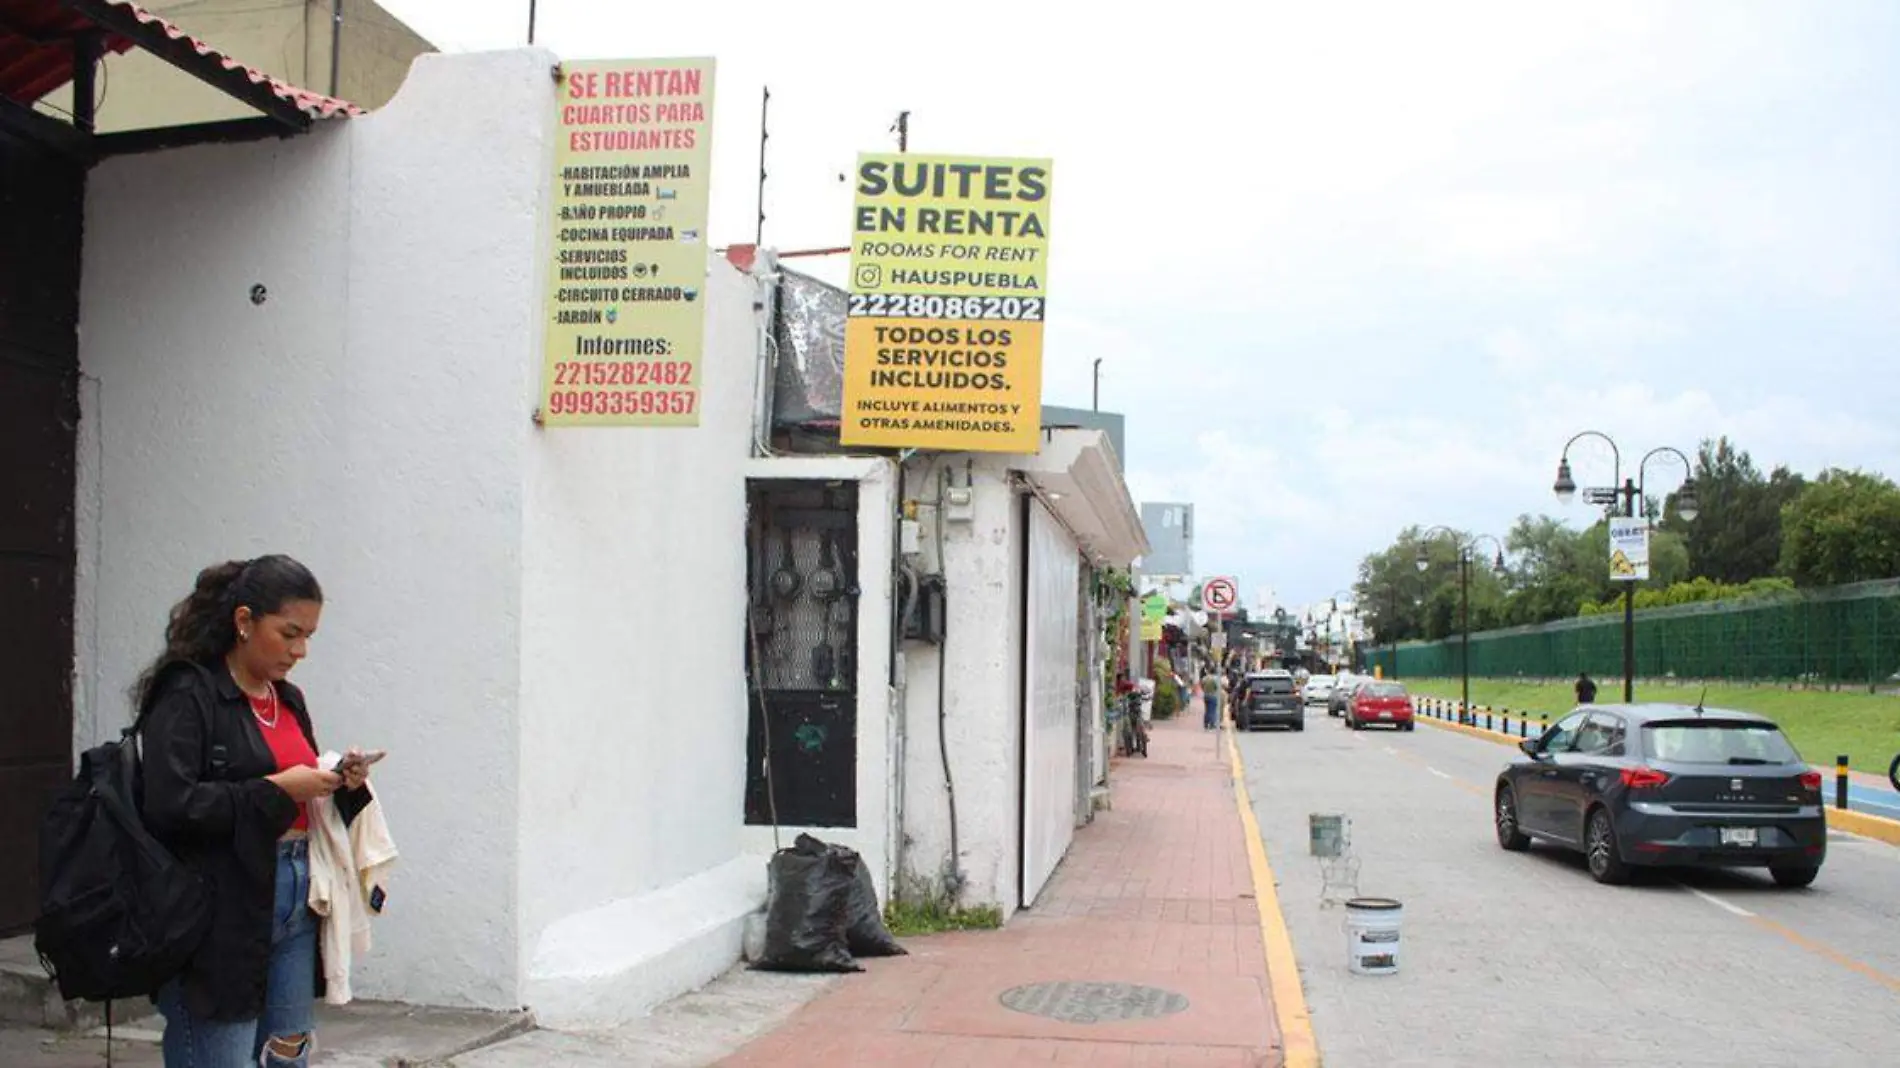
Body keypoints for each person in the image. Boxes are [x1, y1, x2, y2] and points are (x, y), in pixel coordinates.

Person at [136, 556, 374, 1068]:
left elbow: (293, 790)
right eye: (289, 633)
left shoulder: (286, 699)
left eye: (308, 636)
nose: (300, 650)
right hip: (217, 910)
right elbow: (170, 805)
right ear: (244, 621)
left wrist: (338, 782)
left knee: (287, 1056)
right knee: (221, 1056)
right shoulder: (187, 694)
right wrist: (276, 790)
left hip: (293, 896)